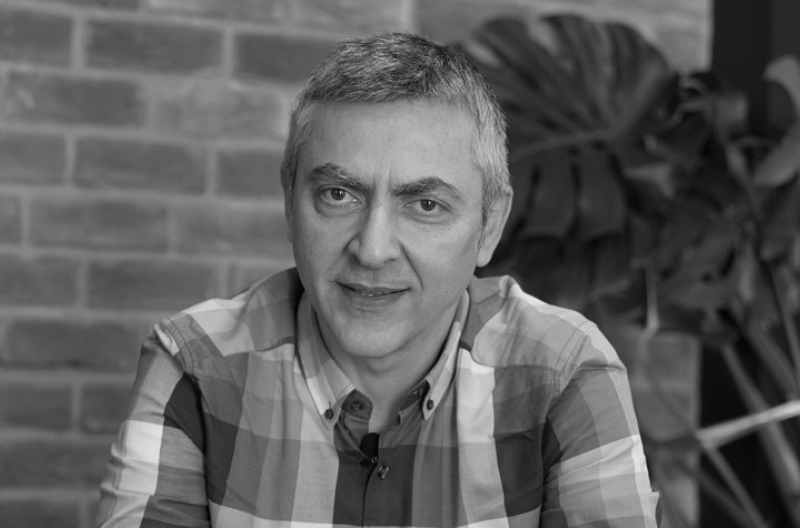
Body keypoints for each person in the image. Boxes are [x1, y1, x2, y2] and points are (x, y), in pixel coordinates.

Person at [96, 32, 659, 528]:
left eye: (426, 204)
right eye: (339, 194)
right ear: (290, 205)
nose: (372, 249)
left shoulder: (563, 371)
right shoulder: (195, 364)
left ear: (489, 226)